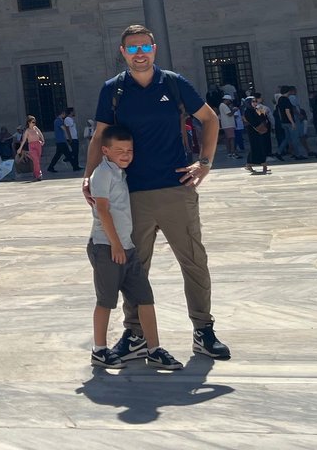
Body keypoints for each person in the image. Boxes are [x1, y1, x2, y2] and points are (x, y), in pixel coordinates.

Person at [88, 23, 230, 362]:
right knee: (133, 268)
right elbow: (99, 137)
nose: (139, 54)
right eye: (132, 48)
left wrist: (205, 163)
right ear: (123, 53)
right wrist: (89, 177)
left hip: (175, 188)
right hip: (130, 194)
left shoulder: (174, 83)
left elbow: (209, 120)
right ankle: (135, 333)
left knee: (194, 261)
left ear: (155, 49)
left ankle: (203, 330)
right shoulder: (114, 90)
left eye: (145, 47)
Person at [85, 126, 183, 371]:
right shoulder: (103, 173)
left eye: (129, 150)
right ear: (105, 151)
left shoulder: (120, 173)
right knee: (106, 300)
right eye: (119, 150)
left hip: (126, 247)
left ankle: (154, 349)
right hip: (106, 246)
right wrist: (116, 244)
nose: (126, 154)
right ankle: (99, 350)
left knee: (145, 298)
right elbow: (103, 211)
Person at [242, 94, 272, 175]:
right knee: (257, 146)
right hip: (253, 131)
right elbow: (253, 121)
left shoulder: (256, 109)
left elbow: (263, 118)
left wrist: (261, 113)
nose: (255, 103)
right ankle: (263, 163)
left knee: (257, 147)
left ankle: (249, 164)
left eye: (255, 101)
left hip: (259, 130)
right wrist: (259, 126)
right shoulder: (247, 111)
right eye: (253, 101)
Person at [48, 107, 80, 173]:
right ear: (62, 114)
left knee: (58, 155)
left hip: (60, 140)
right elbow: (64, 129)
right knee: (68, 154)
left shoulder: (59, 121)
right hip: (61, 141)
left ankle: (50, 167)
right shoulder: (58, 121)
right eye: (64, 114)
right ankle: (75, 167)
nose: (64, 115)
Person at [19, 115, 45, 181]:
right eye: (32, 122)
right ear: (29, 122)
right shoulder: (27, 131)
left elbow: (40, 134)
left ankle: (35, 173)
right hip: (32, 145)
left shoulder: (36, 128)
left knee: (37, 161)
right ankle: (39, 174)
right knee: (36, 159)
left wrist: (43, 140)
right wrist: (20, 148)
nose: (34, 123)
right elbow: (24, 140)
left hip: (38, 144)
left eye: (34, 122)